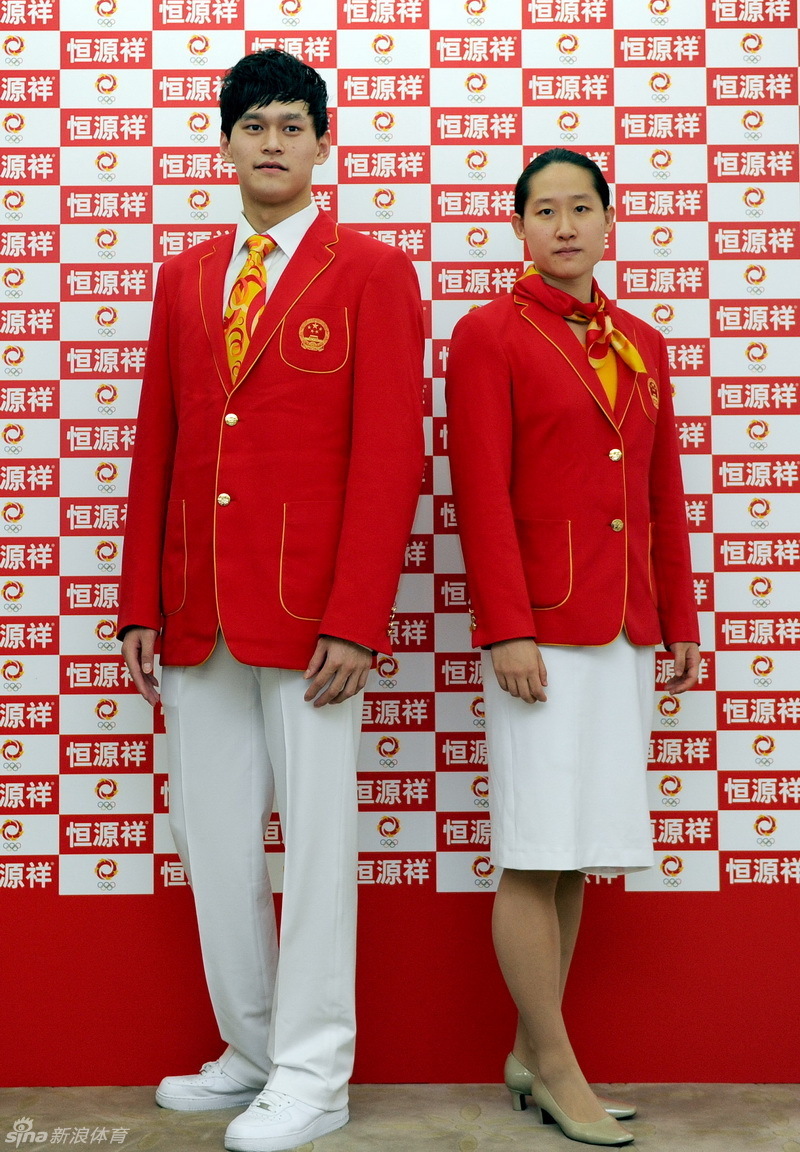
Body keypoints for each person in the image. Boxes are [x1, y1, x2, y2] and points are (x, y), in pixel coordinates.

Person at [118, 49, 424, 1152]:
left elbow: (389, 458)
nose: (273, 143)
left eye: (293, 125)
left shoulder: (372, 272)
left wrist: (354, 615)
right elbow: (161, 443)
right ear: (227, 142)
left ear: (321, 142)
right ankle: (249, 1052)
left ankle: (312, 1073)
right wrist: (138, 603)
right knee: (218, 848)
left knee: (319, 850)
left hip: (311, 620)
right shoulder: (187, 276)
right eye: (254, 125)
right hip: (196, 606)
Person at [445, 148, 700, 1148]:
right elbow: (479, 494)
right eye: (542, 211)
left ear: (606, 221)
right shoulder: (486, 336)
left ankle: (525, 1046)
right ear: (517, 227)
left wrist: (676, 621)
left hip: (622, 633)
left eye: (578, 209)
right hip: (538, 636)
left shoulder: (638, 342)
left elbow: (657, 498)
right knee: (531, 847)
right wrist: (506, 626)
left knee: (573, 854)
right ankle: (554, 1066)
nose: (562, 226)